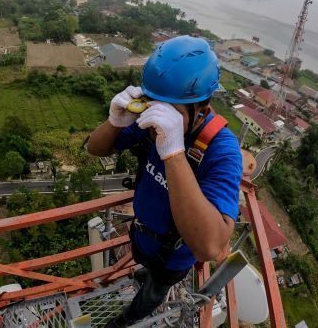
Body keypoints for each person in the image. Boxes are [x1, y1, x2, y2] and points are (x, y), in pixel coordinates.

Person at [87, 35, 243, 327]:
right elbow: (96, 149)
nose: (158, 116)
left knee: (153, 294)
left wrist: (173, 152)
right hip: (141, 237)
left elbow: (209, 247)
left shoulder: (221, 150)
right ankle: (144, 275)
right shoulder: (150, 125)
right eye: (154, 104)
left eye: (170, 110)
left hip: (173, 257)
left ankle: (126, 319)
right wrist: (115, 121)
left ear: (202, 110)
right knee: (144, 270)